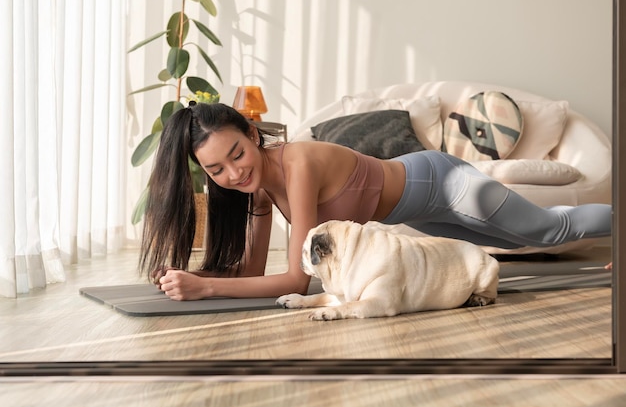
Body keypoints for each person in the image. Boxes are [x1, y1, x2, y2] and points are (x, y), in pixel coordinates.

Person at [139, 102, 612, 300]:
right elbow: (252, 272)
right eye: (216, 170)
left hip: (441, 183)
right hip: (424, 214)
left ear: (251, 133)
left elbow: (298, 280)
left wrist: (204, 290)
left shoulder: (296, 163)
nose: (234, 173)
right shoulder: (257, 189)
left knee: (547, 230)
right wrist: (195, 274)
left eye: (237, 154)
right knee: (509, 242)